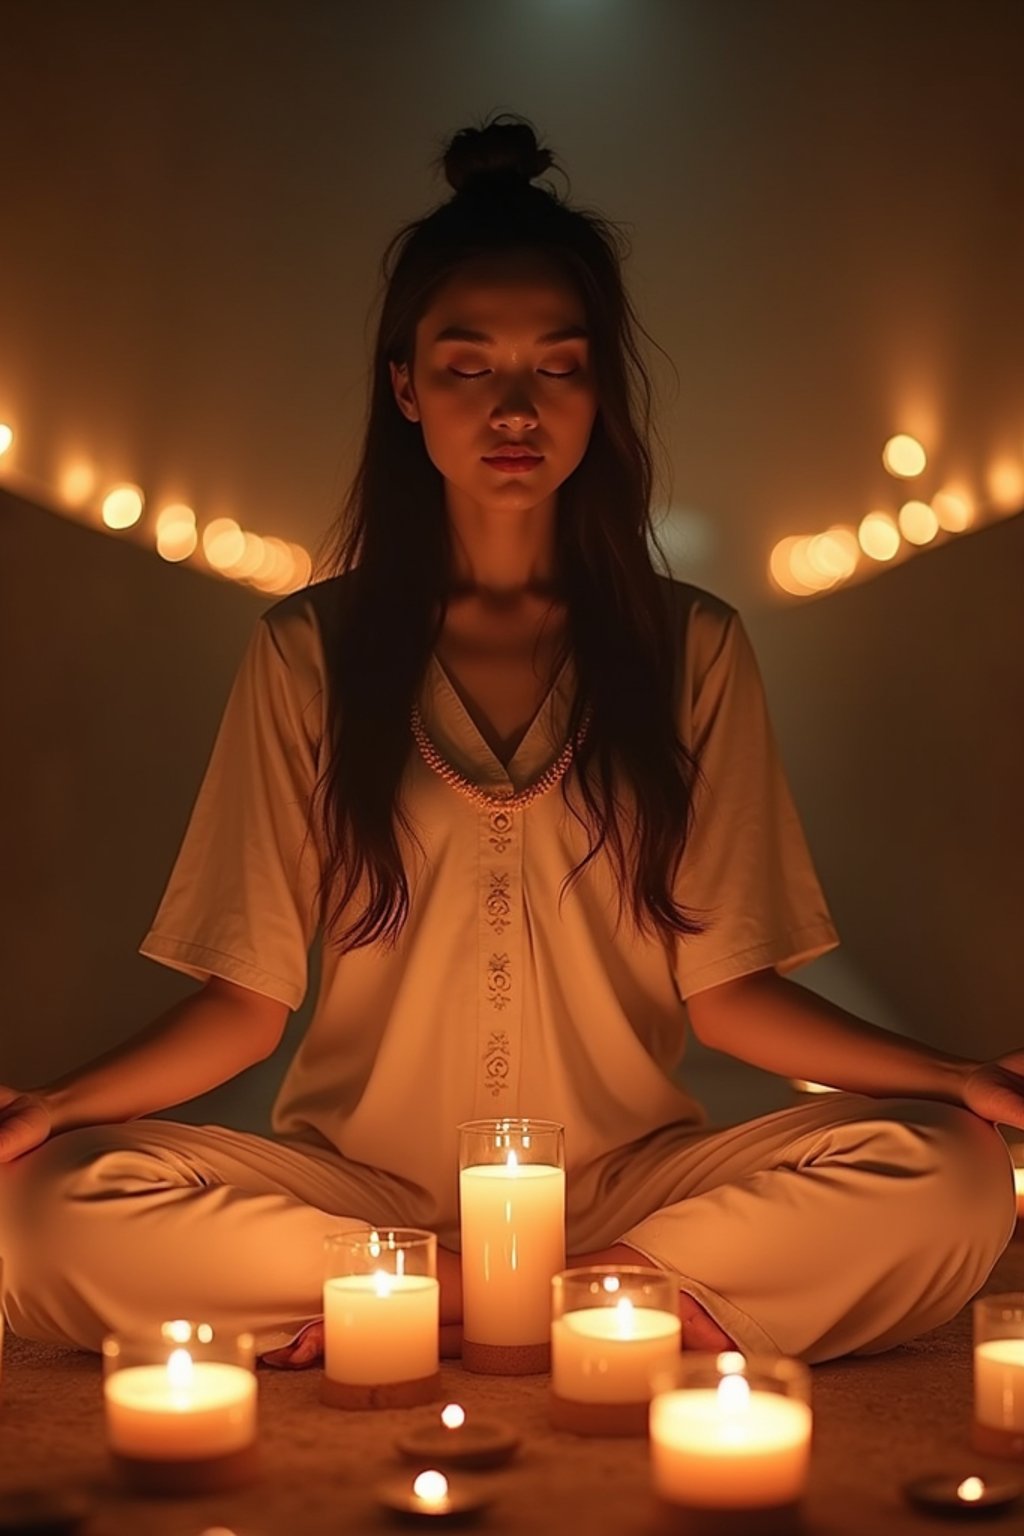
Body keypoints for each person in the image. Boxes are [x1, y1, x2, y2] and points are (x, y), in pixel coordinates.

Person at [0, 113, 1018, 1371]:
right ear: (406, 386)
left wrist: (948, 1074)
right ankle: (575, 1310)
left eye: (559, 365)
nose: (515, 407)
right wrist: (56, 1107)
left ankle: (495, 1306)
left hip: (628, 1192)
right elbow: (242, 1007)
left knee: (951, 1173)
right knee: (42, 1210)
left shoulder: (689, 646)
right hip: (359, 1198)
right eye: (470, 365)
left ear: (601, 392)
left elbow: (732, 994)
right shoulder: (308, 650)